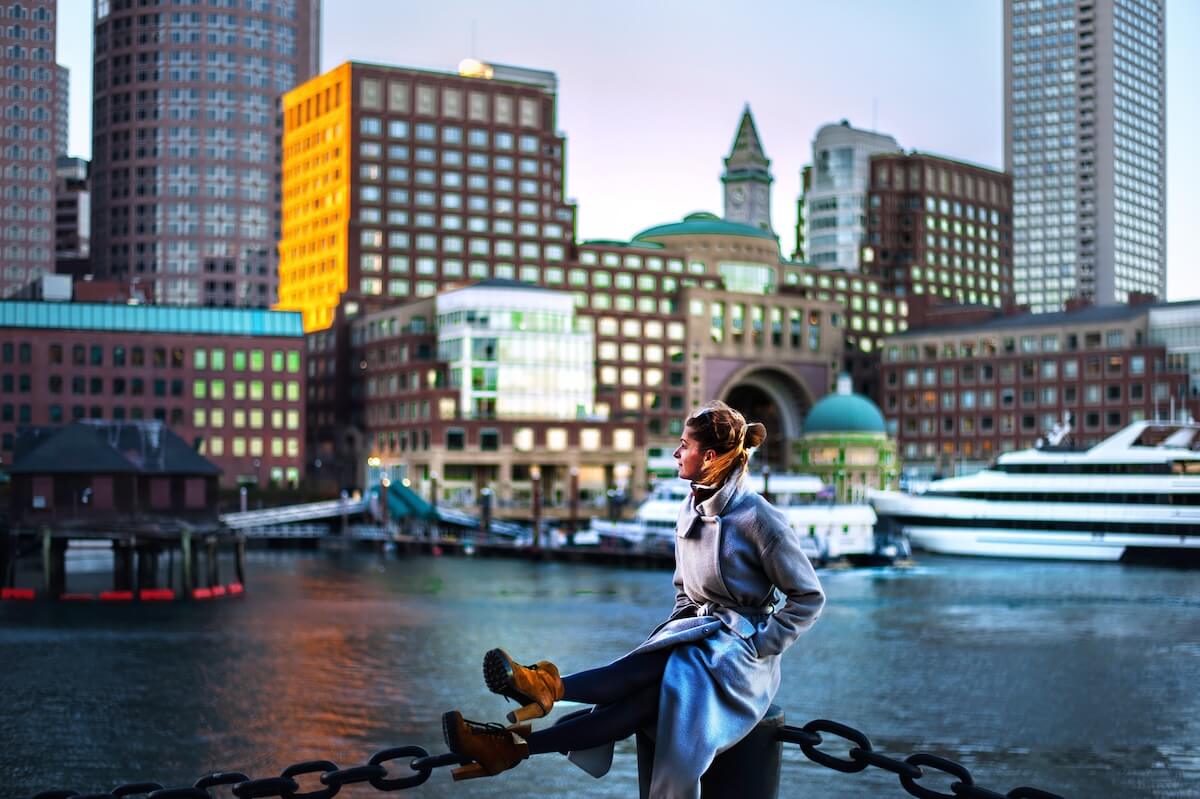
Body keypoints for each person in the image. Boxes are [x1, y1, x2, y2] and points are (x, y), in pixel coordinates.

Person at [441, 401, 826, 797]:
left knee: (646, 683)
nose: (676, 453)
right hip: (697, 644)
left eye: (683, 445)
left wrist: (760, 644)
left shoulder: (761, 520)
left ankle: (540, 695)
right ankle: (516, 736)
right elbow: (684, 588)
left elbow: (808, 597)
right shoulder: (689, 507)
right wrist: (680, 626)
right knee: (637, 701)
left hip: (741, 664)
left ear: (708, 456)